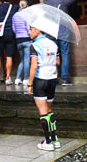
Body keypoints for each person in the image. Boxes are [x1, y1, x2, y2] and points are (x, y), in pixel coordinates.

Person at [26, 17, 61, 151]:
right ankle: (55, 140)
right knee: (49, 110)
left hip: (40, 79)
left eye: (31, 29)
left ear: (38, 30)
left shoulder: (34, 45)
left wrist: (29, 84)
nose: (29, 32)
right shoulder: (54, 44)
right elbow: (58, 62)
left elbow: (34, 66)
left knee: (42, 111)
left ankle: (47, 142)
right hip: (52, 78)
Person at [44, 0, 78, 86]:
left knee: (52, 54)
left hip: (50, 31)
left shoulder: (45, 4)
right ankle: (65, 79)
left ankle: (54, 77)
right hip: (62, 29)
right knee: (65, 53)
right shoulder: (62, 0)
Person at [13, 0, 32, 85]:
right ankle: (26, 79)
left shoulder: (15, 15)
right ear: (26, 6)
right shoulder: (26, 15)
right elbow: (28, 28)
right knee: (27, 60)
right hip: (26, 39)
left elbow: (14, 29)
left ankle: (17, 78)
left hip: (18, 40)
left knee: (22, 60)